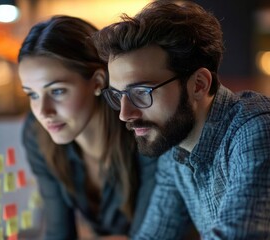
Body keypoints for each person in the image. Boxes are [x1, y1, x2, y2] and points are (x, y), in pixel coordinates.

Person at [93, 0, 270, 239]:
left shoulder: (255, 130)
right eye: (118, 95)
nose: (125, 113)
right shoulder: (174, 145)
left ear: (199, 85)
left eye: (141, 93)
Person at [17, 15, 157, 240]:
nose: (43, 111)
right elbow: (58, 231)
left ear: (98, 81)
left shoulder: (143, 129)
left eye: (57, 91)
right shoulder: (36, 134)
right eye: (32, 94)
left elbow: (152, 234)